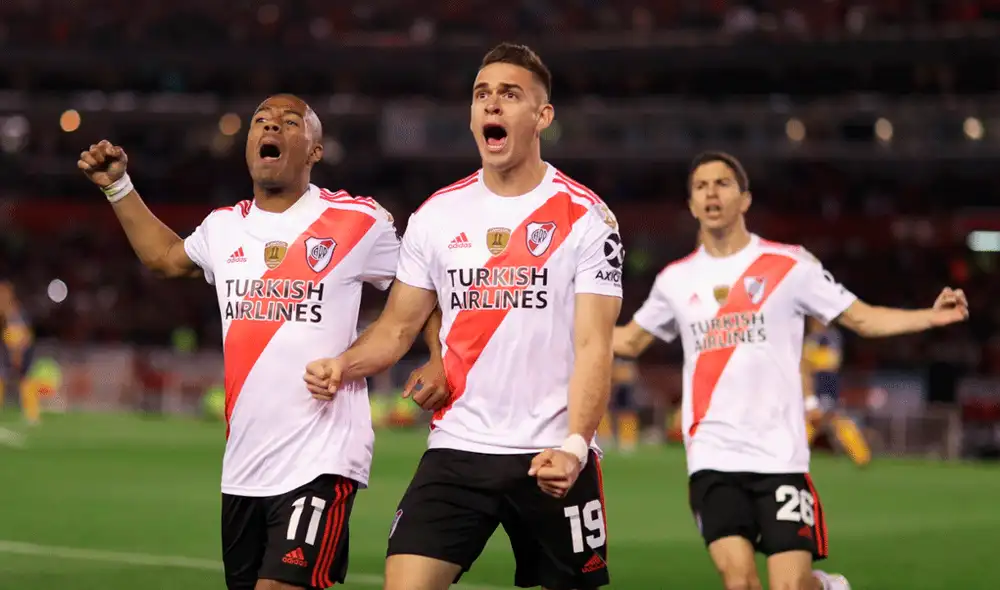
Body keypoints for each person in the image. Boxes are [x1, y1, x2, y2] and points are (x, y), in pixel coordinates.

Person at [77, 94, 438, 590]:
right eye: (262, 121)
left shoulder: (358, 221)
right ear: (249, 143)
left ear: (315, 150)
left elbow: (424, 292)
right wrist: (118, 186)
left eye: (291, 122)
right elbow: (164, 255)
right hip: (244, 467)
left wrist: (436, 358)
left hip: (322, 460)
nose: (273, 127)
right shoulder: (224, 228)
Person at [303, 42, 623, 590]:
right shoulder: (436, 215)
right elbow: (398, 328)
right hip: (459, 448)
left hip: (549, 451)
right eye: (481, 95)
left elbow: (595, 345)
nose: (491, 105)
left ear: (542, 116)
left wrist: (574, 445)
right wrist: (344, 365)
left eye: (509, 95)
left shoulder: (587, 217)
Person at [612, 151, 968, 590]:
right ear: (690, 205)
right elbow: (628, 340)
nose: (711, 193)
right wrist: (558, 327)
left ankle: (827, 586)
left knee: (791, 586)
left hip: (780, 455)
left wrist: (928, 317)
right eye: (700, 187)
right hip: (711, 455)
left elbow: (861, 318)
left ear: (745, 199)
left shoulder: (791, 265)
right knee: (738, 581)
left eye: (722, 184)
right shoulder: (675, 280)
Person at [802, 317, 872, 466]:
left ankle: (861, 456)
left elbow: (831, 362)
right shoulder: (813, 338)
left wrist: (810, 361)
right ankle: (861, 456)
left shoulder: (829, 337)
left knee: (829, 419)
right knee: (820, 420)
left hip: (826, 385)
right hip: (815, 385)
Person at [0, 280, 38, 425]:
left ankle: (32, 414)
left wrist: (18, 355)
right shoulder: (6, 311)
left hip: (20, 348)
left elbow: (20, 336)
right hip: (11, 347)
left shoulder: (14, 311)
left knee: (26, 379)